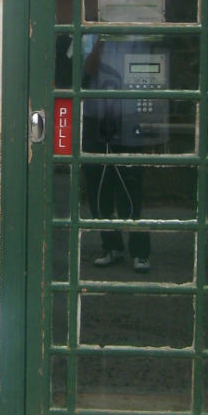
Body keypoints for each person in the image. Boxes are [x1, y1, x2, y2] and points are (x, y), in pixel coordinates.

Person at [81, 35, 152, 272]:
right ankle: (111, 245)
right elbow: (84, 71)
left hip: (128, 115)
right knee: (98, 185)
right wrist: (100, 42)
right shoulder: (90, 36)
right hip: (96, 116)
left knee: (131, 184)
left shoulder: (135, 35)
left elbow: (146, 72)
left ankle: (140, 251)